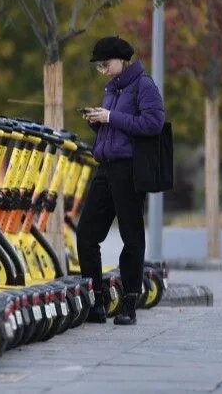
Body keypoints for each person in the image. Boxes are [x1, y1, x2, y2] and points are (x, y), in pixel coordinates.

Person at [77, 36, 165, 325]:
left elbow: (153, 124)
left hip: (128, 169)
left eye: (106, 65)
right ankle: (97, 301)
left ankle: (129, 301)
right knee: (87, 233)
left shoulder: (144, 85)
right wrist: (97, 120)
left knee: (131, 235)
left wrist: (111, 117)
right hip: (105, 167)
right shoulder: (112, 88)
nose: (103, 71)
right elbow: (115, 127)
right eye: (99, 67)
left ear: (122, 60)